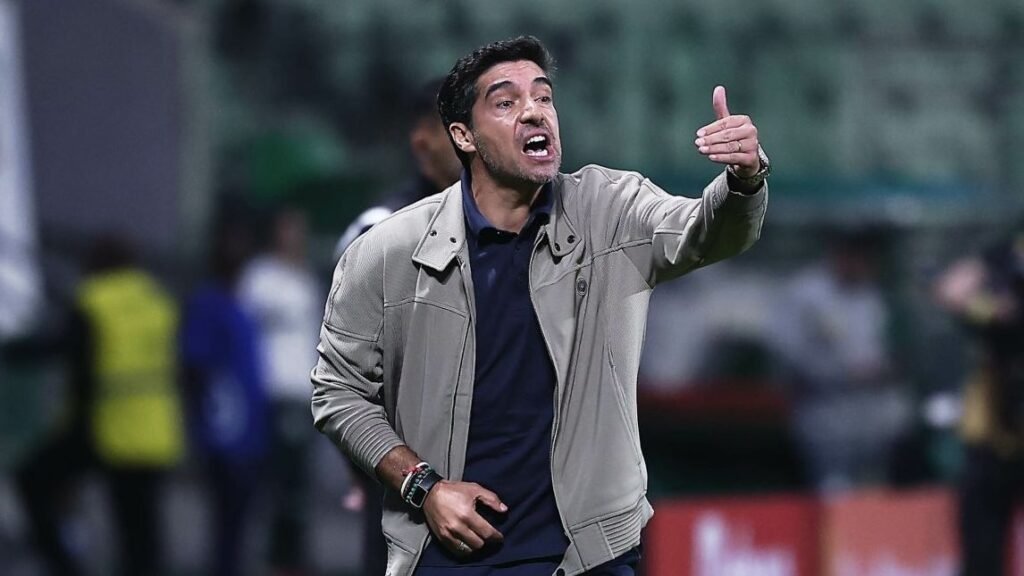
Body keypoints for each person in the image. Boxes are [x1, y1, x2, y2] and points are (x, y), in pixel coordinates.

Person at [312, 36, 769, 576]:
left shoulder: (609, 210)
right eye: (506, 102)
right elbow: (337, 392)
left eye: (544, 97)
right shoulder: (387, 252)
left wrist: (744, 179)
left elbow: (702, 232)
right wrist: (423, 486)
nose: (534, 112)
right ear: (463, 136)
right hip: (448, 556)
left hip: (589, 557)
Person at [333, 77, 461, 576]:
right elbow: (345, 377)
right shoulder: (379, 231)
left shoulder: (510, 227)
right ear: (423, 140)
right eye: (457, 126)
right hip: (404, 480)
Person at [73, 234, 185, 576]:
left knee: (127, 528)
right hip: (160, 431)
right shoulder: (158, 302)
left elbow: (79, 372)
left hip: (117, 430)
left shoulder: (93, 299)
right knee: (148, 530)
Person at [773, 229, 909, 491]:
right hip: (824, 410)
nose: (867, 265)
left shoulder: (870, 294)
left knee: (875, 487)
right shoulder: (805, 293)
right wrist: (842, 372)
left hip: (871, 410)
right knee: (833, 489)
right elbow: (788, 354)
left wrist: (881, 369)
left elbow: (878, 348)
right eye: (861, 256)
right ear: (842, 254)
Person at [181, 214, 268, 576]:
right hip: (224, 430)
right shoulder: (208, 303)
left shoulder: (243, 302)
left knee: (240, 522)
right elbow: (194, 368)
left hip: (250, 431)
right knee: (226, 521)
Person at [934, 225, 1024, 576]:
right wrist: (990, 306)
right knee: (981, 548)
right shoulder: (1008, 252)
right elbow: (953, 290)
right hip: (994, 432)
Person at [238, 207, 322, 575]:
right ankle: (275, 555)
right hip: (271, 391)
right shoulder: (260, 276)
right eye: (288, 229)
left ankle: (290, 555)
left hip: (302, 393)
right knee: (274, 481)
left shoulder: (306, 280)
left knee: (297, 482)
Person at [334, 77, 463, 260]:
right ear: (422, 144)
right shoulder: (379, 230)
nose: (473, 139)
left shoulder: (497, 221)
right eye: (459, 130)